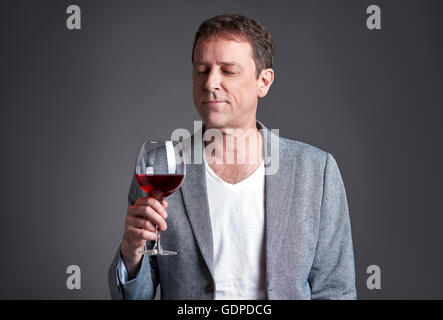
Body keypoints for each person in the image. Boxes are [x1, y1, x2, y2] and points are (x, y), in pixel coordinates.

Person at [108, 13, 356, 300]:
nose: (210, 82)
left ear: (263, 81)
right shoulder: (158, 168)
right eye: (202, 70)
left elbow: (336, 291)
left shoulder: (317, 170)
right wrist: (131, 250)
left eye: (228, 70)